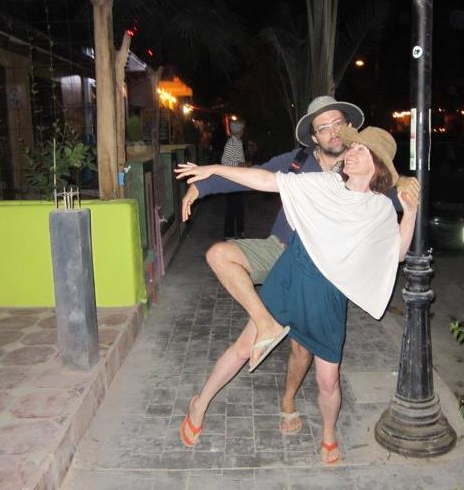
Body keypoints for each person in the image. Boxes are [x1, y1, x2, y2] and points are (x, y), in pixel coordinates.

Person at [174, 126, 419, 464]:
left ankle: (328, 433)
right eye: (352, 147)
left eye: (361, 150)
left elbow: (398, 253)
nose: (350, 152)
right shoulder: (325, 183)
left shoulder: (379, 208)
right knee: (244, 348)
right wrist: (214, 170)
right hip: (291, 275)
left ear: (377, 164)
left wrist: (411, 213)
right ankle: (199, 404)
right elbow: (266, 180)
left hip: (328, 295)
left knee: (328, 380)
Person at [221, 119, 247, 239]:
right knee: (233, 207)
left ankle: (239, 231)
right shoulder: (232, 143)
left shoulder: (237, 141)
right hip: (232, 179)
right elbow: (224, 162)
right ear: (239, 131)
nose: (243, 131)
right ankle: (230, 233)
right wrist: (239, 164)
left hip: (237, 178)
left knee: (238, 206)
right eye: (242, 129)